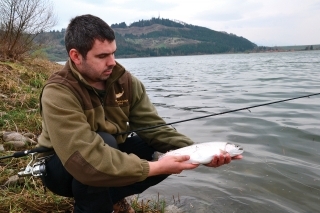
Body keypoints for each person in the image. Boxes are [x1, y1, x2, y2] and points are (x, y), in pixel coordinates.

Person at [38, 14, 241, 213]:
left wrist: (201, 154)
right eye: (102, 56)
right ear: (76, 56)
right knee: (105, 142)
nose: (112, 62)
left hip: (106, 153)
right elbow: (84, 158)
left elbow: (156, 130)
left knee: (154, 147)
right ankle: (89, 208)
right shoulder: (58, 92)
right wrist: (155, 168)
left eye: (113, 53)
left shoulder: (125, 81)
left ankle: (111, 199)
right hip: (62, 167)